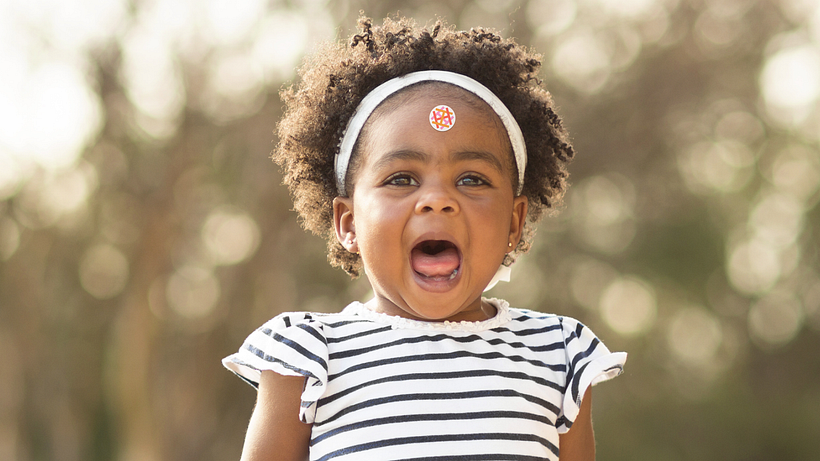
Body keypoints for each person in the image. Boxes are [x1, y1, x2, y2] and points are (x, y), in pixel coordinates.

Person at [223, 15, 626, 461]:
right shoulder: (309, 354)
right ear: (348, 223)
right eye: (400, 178)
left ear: (514, 223)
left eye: (472, 179)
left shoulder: (559, 354)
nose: (437, 199)